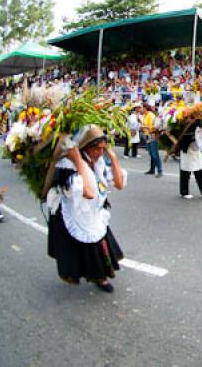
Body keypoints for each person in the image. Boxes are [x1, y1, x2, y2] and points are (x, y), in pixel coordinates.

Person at [46, 125, 126, 293]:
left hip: (92, 211)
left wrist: (113, 157)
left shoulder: (99, 160)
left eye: (102, 149)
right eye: (96, 148)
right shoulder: (68, 165)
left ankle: (100, 277)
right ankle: (97, 276)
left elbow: (119, 184)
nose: (99, 153)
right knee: (82, 248)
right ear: (84, 147)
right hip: (74, 211)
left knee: (98, 240)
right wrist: (77, 161)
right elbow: (88, 193)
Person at [142, 104, 163, 177]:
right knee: (151, 153)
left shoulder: (150, 115)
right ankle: (152, 169)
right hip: (148, 136)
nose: (141, 109)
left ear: (145, 108)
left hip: (152, 136)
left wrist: (143, 126)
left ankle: (160, 170)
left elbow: (153, 127)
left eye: (142, 108)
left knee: (155, 154)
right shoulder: (145, 115)